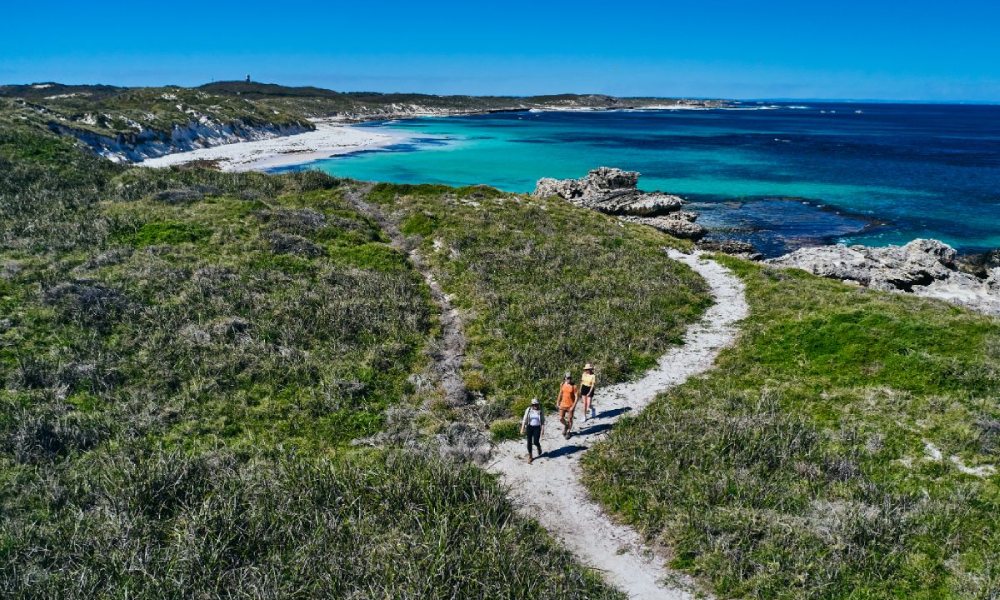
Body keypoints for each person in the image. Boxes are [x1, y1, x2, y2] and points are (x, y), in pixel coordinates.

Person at [520, 398, 544, 463]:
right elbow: (524, 419)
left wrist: (542, 430)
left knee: (536, 441)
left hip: (537, 427)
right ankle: (530, 456)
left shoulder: (541, 410)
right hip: (529, 427)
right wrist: (522, 428)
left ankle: (538, 447)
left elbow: (542, 421)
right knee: (529, 442)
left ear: (538, 404)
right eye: (534, 404)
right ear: (531, 405)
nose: (535, 406)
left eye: (536, 404)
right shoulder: (528, 410)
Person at [556, 372, 578, 438]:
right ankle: (566, 425)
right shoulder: (562, 384)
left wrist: (573, 406)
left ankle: (568, 431)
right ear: (565, 378)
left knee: (570, 419)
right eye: (568, 378)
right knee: (560, 418)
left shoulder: (574, 386)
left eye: (570, 378)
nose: (569, 379)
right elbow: (560, 393)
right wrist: (557, 402)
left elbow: (576, 397)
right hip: (563, 404)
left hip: (570, 405)